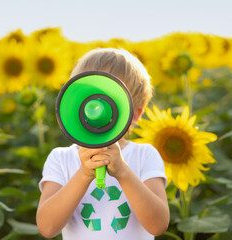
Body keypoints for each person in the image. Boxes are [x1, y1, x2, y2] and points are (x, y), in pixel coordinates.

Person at [36, 48, 169, 240]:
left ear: (135, 115)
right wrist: (83, 174)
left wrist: (123, 172)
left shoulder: (145, 155)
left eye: (111, 98)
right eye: (88, 95)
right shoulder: (61, 158)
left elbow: (158, 225)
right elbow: (47, 227)